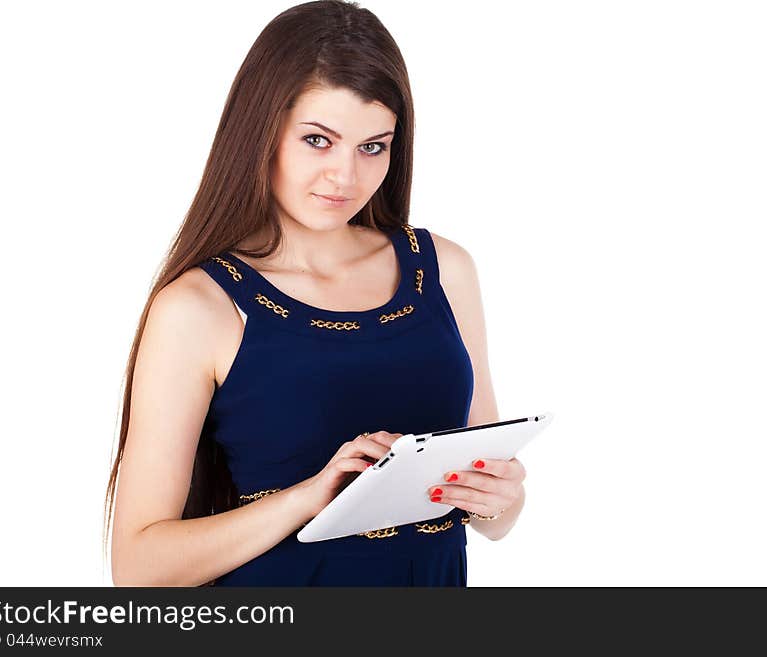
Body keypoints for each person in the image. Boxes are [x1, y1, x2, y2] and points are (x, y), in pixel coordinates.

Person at [104, 0, 527, 587]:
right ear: (261, 132)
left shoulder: (445, 269)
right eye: (318, 140)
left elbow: (494, 519)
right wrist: (312, 496)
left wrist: (500, 497)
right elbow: (138, 567)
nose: (345, 178)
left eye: (372, 147)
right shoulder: (198, 308)